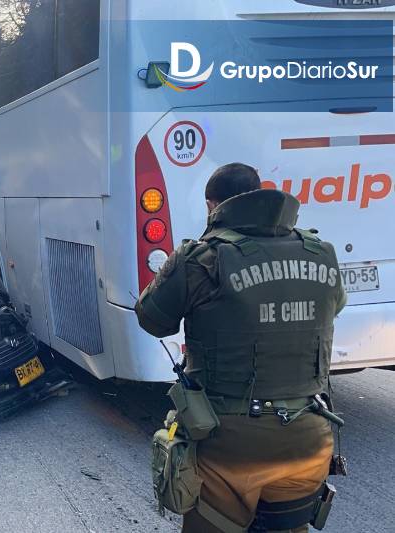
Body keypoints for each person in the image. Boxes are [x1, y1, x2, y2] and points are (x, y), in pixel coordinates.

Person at [136, 163, 346, 532]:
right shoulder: (320, 251)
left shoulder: (202, 258)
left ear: (210, 205)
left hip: (228, 443)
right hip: (309, 439)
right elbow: (334, 305)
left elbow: (152, 319)